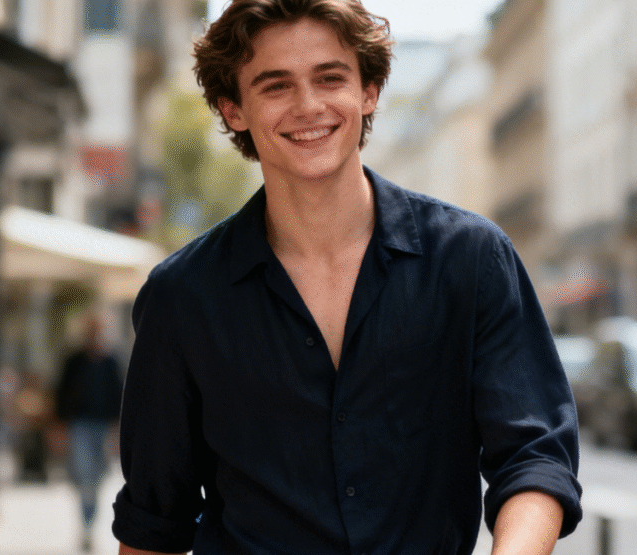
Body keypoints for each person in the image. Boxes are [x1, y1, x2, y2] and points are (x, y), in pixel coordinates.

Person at [112, 1, 582, 554]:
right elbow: (153, 524)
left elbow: (535, 457)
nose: (308, 107)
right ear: (233, 108)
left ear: (369, 91)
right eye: (275, 86)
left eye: (330, 78)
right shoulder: (182, 299)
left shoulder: (470, 260)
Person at [55, 312, 124, 551]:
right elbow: (61, 396)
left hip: (104, 428)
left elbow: (120, 399)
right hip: (80, 426)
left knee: (97, 477)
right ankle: (87, 524)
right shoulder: (74, 361)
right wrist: (59, 429)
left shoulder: (112, 362)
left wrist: (116, 432)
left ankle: (89, 520)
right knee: (84, 476)